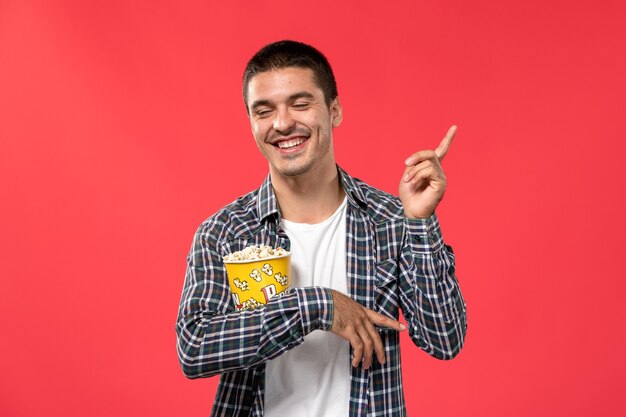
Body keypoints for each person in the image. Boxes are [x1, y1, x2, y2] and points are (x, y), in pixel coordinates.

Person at [176, 40, 467, 417]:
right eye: (264, 111)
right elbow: (194, 348)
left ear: (334, 110)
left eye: (300, 104)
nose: (282, 124)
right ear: (251, 121)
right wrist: (319, 306)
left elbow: (444, 339)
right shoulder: (225, 231)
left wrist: (420, 222)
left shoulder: (389, 220)